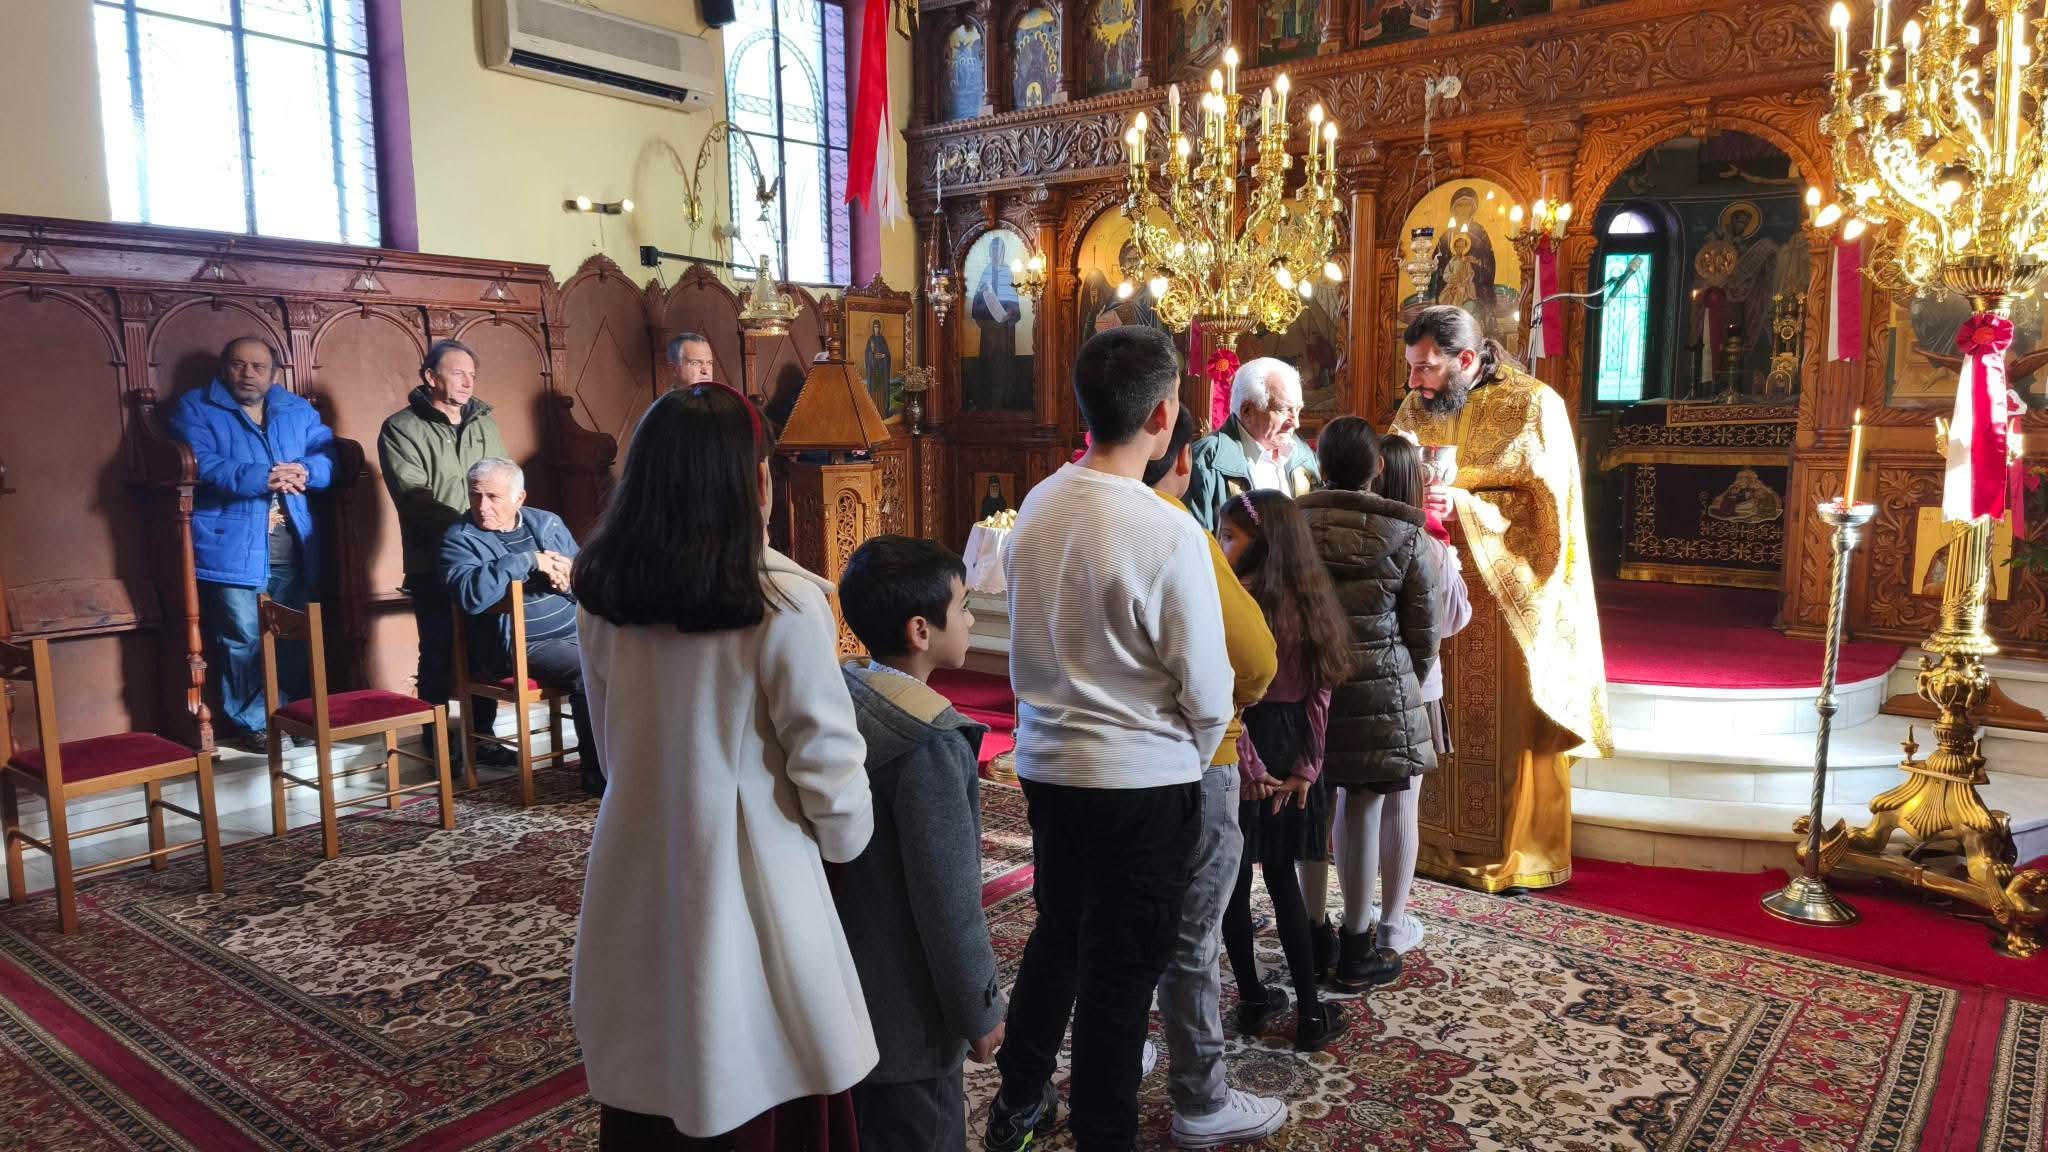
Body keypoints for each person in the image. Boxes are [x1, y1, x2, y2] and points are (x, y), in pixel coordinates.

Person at [571, 384, 875, 1148]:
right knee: (759, 1061)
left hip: (638, 859)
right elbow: (830, 770)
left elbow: (609, 748)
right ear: (758, 481)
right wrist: (844, 847)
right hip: (757, 879)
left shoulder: (604, 594)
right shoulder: (783, 602)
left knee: (657, 1056)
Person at [985, 326, 1232, 1152]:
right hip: (1140, 782)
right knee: (1120, 985)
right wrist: (1194, 749)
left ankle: (1018, 1101)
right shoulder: (1167, 530)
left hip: (1048, 768)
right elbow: (1208, 688)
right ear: (1163, 415)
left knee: (1059, 932)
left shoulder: (1038, 503)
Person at [1391, 305, 1610, 894]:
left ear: (1465, 359)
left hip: (1507, 598)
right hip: (1431, 590)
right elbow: (1391, 475)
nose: (1414, 382)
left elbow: (1548, 514)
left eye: (1426, 367)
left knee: (1505, 725)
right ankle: (1427, 842)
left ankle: (1513, 852)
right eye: (1411, 367)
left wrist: (1461, 506)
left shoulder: (1534, 405)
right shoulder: (1417, 406)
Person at [1143, 408, 1288, 1148]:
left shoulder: (1050, 509)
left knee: (1111, 918)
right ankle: (1201, 1099)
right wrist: (1234, 704)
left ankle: (1118, 1049)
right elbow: (1256, 658)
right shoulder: (1178, 531)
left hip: (1086, 764)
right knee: (1191, 933)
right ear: (1179, 454)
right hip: (1193, 758)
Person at [833, 535, 1003, 1152]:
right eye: (963, 608)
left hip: (846, 995)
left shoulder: (844, 697)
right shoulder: (928, 743)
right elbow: (948, 901)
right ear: (920, 631)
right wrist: (979, 1009)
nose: (971, 620)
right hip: (910, 1023)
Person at [1298, 418, 1438, 989]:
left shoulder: (1290, 523)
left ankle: (1312, 937)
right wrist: (1401, 678)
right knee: (1364, 810)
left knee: (1309, 807)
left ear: (1319, 464)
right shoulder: (1405, 531)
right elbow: (1423, 632)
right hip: (1378, 686)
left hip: (1303, 684)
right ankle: (1358, 946)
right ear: (1378, 468)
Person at [1214, 490, 1353, 1051]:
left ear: (1263, 543)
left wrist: (1250, 765)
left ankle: (1252, 999)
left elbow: (1230, 697)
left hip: (1252, 742)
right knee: (1281, 879)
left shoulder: (1239, 604)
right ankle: (1310, 1014)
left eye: (1230, 537)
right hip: (1292, 745)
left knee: (1236, 880)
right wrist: (1307, 765)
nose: (1220, 545)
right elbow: (1320, 695)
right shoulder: (1312, 599)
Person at [171, 337, 336, 755]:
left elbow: (328, 457)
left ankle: (295, 714)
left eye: (258, 367)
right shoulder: (196, 407)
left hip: (292, 545)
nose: (248, 374)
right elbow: (203, 464)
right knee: (241, 638)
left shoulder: (297, 409)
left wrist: (305, 470)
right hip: (231, 547)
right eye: (238, 365)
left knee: (293, 634)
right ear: (223, 368)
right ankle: (256, 722)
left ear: (274, 373)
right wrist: (264, 477)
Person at [1350, 432, 1470, 959]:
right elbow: (1452, 619)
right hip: (1413, 689)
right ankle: (1392, 924)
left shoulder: (1346, 534)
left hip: (1353, 684)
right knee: (1401, 804)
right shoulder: (1427, 544)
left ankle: (1353, 920)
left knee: (1352, 800)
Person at [439, 458, 603, 797]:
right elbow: (470, 595)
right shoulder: (459, 538)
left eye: (493, 497)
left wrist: (568, 581)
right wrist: (528, 560)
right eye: (475, 495)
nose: (482, 506)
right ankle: (598, 775)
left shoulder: (546, 522)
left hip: (576, 629)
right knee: (590, 670)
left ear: (520, 498)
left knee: (634, 656)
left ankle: (633, 763)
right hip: (518, 644)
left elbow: (585, 580)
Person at [378, 339, 510, 762]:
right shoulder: (400, 427)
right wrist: (468, 532)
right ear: (430, 377)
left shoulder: (485, 423)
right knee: (436, 650)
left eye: (472, 374)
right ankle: (436, 742)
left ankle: (483, 738)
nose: (468, 381)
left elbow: (504, 483)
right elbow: (413, 496)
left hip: (485, 560)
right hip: (432, 560)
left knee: (484, 650)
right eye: (457, 373)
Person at [1185, 357, 1321, 532]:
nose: (1296, 423)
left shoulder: (1303, 454)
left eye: (1298, 409)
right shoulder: (1205, 462)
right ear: (1247, 411)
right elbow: (1196, 542)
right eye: (1282, 410)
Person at [863, 318, 895, 418]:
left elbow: (888, 355)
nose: (876, 328)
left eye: (877, 327)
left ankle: (882, 411)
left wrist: (883, 356)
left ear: (880, 328)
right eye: (875, 327)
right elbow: (867, 354)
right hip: (873, 370)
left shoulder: (882, 339)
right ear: (873, 328)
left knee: (881, 390)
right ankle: (873, 411)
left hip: (882, 369)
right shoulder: (870, 339)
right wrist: (872, 355)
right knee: (874, 390)